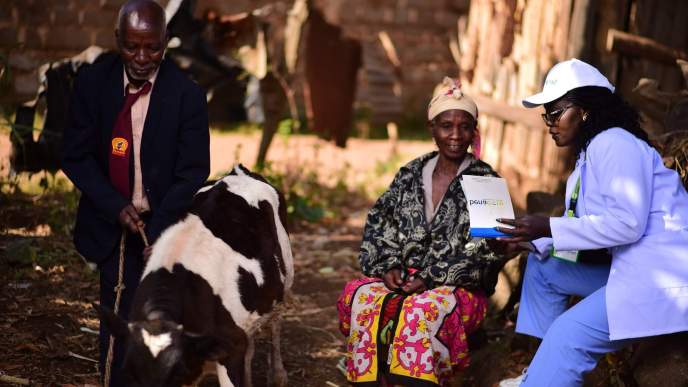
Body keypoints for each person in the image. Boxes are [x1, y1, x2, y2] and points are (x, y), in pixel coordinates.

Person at [496, 59, 688, 387]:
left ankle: (549, 371)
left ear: (584, 110)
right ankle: (543, 369)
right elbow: (583, 228)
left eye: (556, 113)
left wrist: (548, 227)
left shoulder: (614, 143)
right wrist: (527, 239)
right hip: (629, 266)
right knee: (545, 268)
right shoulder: (589, 154)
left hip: (660, 279)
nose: (550, 123)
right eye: (547, 115)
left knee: (568, 334)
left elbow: (627, 224)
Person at [61, 1, 210, 385]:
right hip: (109, 225)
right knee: (118, 322)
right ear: (117, 41)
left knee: (161, 320)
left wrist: (159, 226)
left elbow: (193, 170)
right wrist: (114, 205)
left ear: (165, 43)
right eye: (131, 47)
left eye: (153, 48)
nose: (142, 58)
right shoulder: (93, 84)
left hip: (164, 228)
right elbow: (73, 155)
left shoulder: (186, 94)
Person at [337, 77, 508, 386]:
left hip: (459, 288)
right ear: (432, 129)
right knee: (361, 296)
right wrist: (389, 266)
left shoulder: (486, 181)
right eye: (446, 126)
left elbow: (489, 252)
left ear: (474, 131)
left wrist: (430, 277)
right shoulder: (410, 173)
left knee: (420, 311)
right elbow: (379, 223)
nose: (456, 135)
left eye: (464, 126)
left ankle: (420, 380)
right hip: (407, 277)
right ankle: (374, 379)